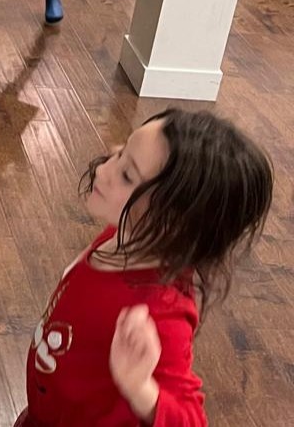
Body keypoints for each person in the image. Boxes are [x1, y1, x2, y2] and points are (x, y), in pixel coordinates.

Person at [17, 109, 272, 426]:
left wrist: (141, 389)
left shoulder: (161, 311)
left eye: (127, 175)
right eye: (121, 152)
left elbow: (191, 420)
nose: (105, 168)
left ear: (173, 223)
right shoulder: (121, 235)